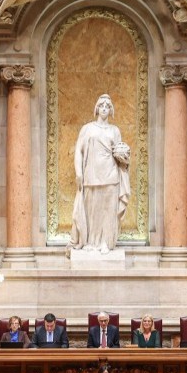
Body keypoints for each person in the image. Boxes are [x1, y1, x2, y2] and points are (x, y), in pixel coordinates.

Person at [70, 94, 130, 253]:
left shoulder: (115, 130)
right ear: (96, 108)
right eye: (102, 105)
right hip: (91, 174)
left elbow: (119, 151)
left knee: (108, 211)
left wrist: (124, 156)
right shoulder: (87, 128)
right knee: (92, 210)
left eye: (107, 106)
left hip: (110, 175)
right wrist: (78, 172)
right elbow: (78, 151)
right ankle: (90, 242)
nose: (104, 108)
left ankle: (106, 242)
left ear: (111, 110)